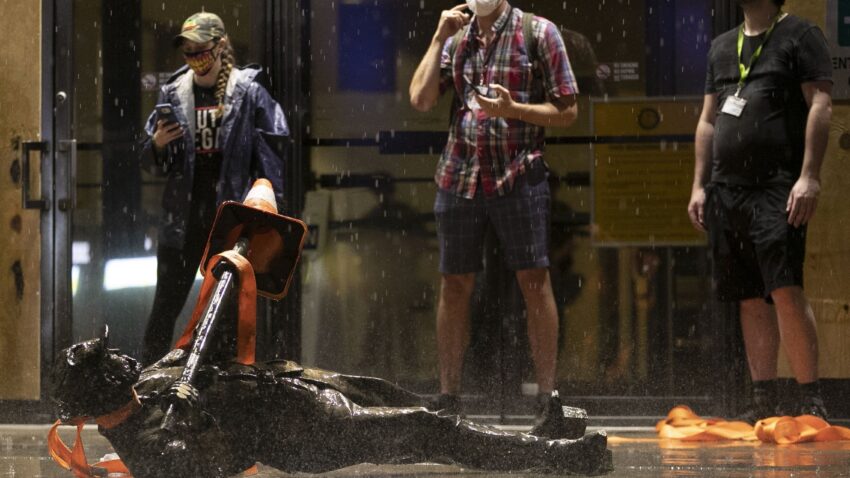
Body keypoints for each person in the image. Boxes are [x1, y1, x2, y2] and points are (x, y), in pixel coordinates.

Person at [48, 330, 612, 477]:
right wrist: (190, 422)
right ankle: (560, 456)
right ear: (96, 391)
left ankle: (545, 433)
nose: (121, 356)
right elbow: (220, 464)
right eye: (107, 363)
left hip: (294, 388)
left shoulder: (147, 383)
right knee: (422, 428)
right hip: (304, 434)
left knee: (414, 405)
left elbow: (205, 348)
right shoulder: (152, 443)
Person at [408, 0, 578, 415]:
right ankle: (449, 397)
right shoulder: (458, 38)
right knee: (454, 282)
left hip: (518, 172)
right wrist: (437, 38)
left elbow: (568, 111)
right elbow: (420, 98)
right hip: (460, 173)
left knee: (534, 281)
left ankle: (547, 397)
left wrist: (514, 109)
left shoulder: (537, 32)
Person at [688, 0, 832, 423]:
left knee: (785, 288)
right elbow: (708, 120)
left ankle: (811, 400)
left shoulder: (801, 36)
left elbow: (821, 104)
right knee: (749, 296)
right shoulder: (721, 47)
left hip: (777, 186)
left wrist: (809, 176)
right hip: (727, 191)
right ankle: (763, 397)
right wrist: (699, 185)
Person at [139, 12, 288, 365]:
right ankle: (145, 382)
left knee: (227, 306)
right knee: (167, 303)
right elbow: (151, 159)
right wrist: (157, 145)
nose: (194, 59)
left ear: (220, 46)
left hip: (229, 216)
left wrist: (269, 210)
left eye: (201, 50)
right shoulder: (173, 93)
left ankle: (219, 384)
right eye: (188, 52)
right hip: (183, 215)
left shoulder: (248, 93)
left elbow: (271, 156)